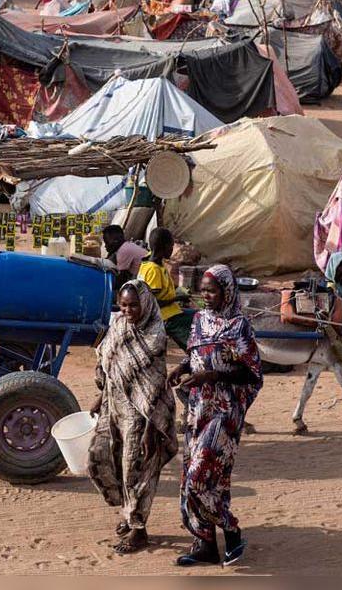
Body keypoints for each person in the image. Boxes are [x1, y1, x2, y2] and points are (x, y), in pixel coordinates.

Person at [168, 264, 262, 567]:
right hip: (198, 409)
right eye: (203, 291)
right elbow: (196, 354)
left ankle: (231, 530)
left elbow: (251, 372)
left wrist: (211, 376)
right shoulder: (199, 319)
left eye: (212, 291)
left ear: (227, 291)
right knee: (203, 478)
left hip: (225, 412)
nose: (206, 296)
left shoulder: (238, 325)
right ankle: (205, 544)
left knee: (199, 477)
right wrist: (182, 367)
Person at [87, 280, 178, 555]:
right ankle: (128, 513)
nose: (128, 310)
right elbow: (109, 363)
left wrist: (152, 428)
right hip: (113, 405)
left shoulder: (154, 336)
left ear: (146, 304)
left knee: (134, 470)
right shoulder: (118, 325)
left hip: (141, 415)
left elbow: (155, 386)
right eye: (124, 305)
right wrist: (101, 398)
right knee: (102, 457)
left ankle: (139, 528)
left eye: (134, 305)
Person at [138, 228, 192, 348]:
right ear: (164, 247)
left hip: (170, 312)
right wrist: (177, 298)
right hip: (164, 317)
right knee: (195, 325)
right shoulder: (154, 270)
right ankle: (192, 351)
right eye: (171, 246)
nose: (172, 250)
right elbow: (152, 303)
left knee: (197, 315)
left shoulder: (150, 261)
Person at [102, 225, 146, 290]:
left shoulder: (123, 251)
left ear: (115, 241)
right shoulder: (127, 245)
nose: (105, 246)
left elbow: (121, 279)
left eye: (107, 242)